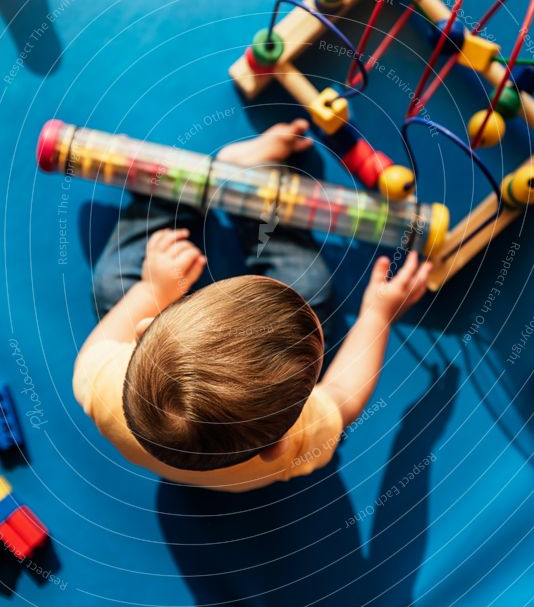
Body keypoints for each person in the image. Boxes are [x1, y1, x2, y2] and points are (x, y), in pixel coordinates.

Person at [73, 120, 431, 492]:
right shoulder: (294, 444)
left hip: (146, 340)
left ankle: (174, 191)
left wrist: (152, 286)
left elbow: (98, 347)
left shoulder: (100, 382)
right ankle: (247, 190)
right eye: (314, 339)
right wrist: (377, 316)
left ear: (145, 328)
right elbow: (343, 398)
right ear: (277, 445)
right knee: (309, 286)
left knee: (112, 285)